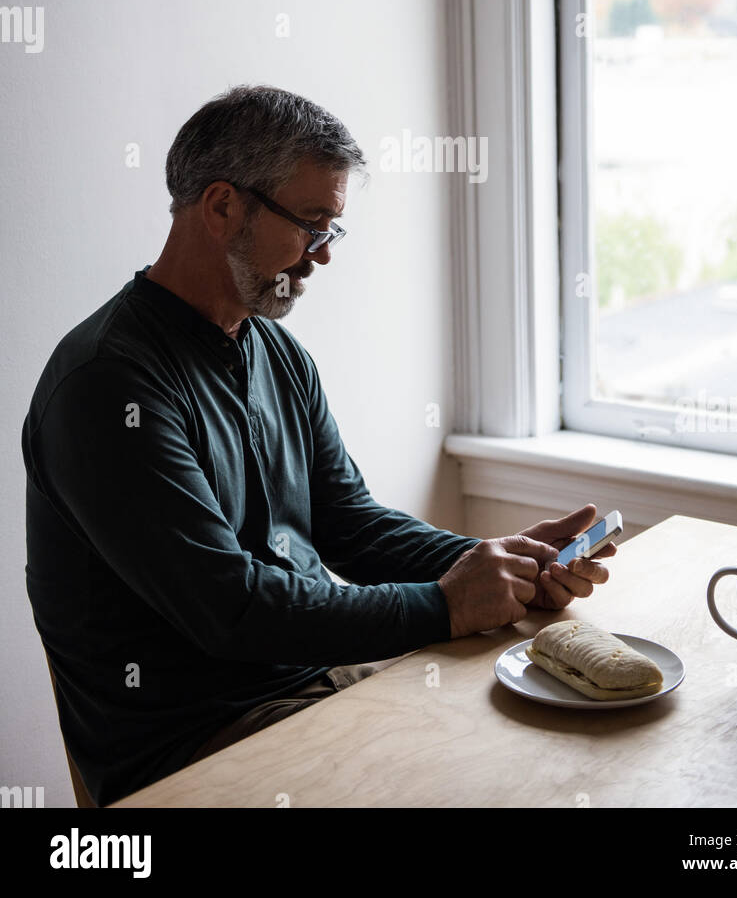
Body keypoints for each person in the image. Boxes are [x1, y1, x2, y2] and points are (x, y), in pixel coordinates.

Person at [22, 85, 615, 807]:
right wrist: (444, 606)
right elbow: (233, 610)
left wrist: (496, 564)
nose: (322, 256)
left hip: (314, 682)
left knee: (547, 749)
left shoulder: (276, 352)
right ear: (221, 207)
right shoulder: (108, 386)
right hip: (192, 749)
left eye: (333, 230)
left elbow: (350, 524)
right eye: (311, 224)